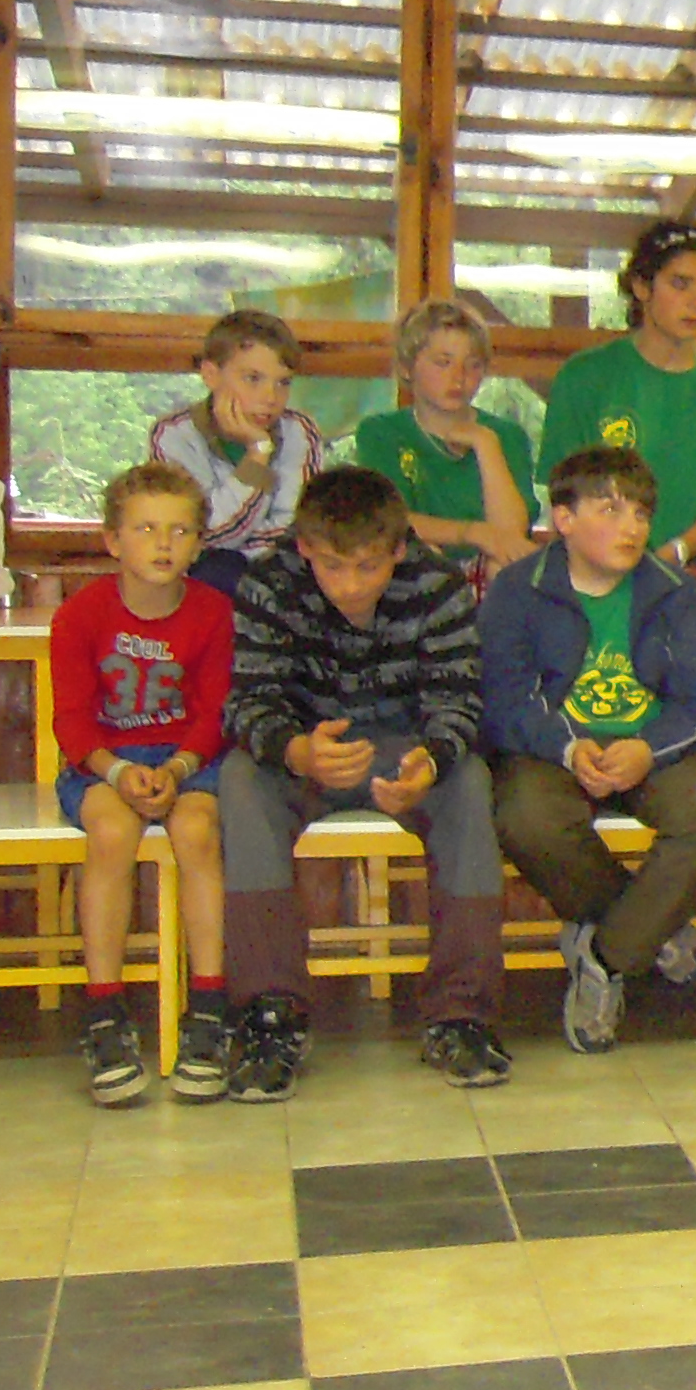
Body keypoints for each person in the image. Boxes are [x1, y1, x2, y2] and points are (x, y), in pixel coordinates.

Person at [217, 466, 511, 1099]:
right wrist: (297, 751)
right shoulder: (267, 585)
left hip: (404, 749)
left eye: (369, 566)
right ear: (304, 548)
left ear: (398, 549)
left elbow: (458, 701)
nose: (350, 584)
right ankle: (271, 1015)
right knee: (240, 780)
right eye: (332, 566)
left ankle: (461, 1014)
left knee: (468, 782)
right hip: (303, 750)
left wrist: (431, 761)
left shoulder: (439, 586)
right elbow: (248, 703)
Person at [481, 445, 696, 1054]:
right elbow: (506, 702)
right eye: (610, 509)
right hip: (554, 752)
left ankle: (607, 957)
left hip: (654, 747)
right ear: (563, 519)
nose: (631, 527)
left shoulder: (675, 593)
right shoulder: (517, 591)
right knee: (525, 816)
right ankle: (653, 930)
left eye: (641, 513)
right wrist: (568, 748)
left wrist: (647, 750)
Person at [53, 459, 235, 1104]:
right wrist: (119, 771)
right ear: (113, 540)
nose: (164, 544)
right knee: (110, 831)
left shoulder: (214, 612)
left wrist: (179, 769)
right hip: (105, 759)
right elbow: (72, 721)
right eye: (146, 529)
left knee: (197, 829)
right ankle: (104, 1014)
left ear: (199, 544)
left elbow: (216, 713)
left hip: (190, 758)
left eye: (180, 531)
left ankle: (209, 1010)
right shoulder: (79, 615)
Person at [538, 219, 696, 600]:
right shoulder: (584, 376)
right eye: (680, 284)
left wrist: (672, 555)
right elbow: (564, 495)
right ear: (642, 287)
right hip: (594, 563)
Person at [355, 298, 537, 576]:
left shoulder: (506, 435)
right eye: (443, 363)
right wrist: (473, 532)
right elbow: (388, 521)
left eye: (473, 365)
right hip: (414, 569)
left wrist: (486, 445)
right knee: (424, 555)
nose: (459, 377)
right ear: (406, 367)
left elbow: (510, 537)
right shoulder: (381, 432)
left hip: (490, 570)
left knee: (503, 565)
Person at [151, 308, 326, 594]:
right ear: (211, 375)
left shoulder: (299, 431)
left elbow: (297, 530)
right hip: (208, 575)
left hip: (285, 573)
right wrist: (258, 453)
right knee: (217, 569)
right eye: (253, 379)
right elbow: (205, 535)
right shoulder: (173, 436)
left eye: (283, 383)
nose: (270, 397)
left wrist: (241, 544)